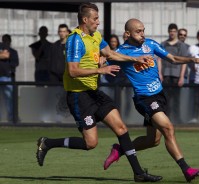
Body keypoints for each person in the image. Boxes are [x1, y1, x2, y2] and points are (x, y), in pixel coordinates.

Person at [36, 3, 162, 182]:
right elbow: (73, 71)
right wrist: (99, 71)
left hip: (94, 92)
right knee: (91, 143)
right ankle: (48, 143)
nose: (98, 22)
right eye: (95, 18)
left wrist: (135, 58)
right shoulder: (75, 40)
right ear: (85, 19)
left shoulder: (95, 36)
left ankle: (139, 173)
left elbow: (110, 54)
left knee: (121, 128)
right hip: (79, 96)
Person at [104, 18, 199, 182]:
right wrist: (99, 67)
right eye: (138, 31)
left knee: (153, 141)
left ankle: (120, 149)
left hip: (160, 96)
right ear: (128, 33)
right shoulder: (121, 51)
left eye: (143, 30)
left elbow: (172, 58)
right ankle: (186, 169)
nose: (142, 34)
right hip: (144, 99)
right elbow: (103, 59)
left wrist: (192, 60)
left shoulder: (150, 44)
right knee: (168, 128)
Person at [157, 23, 188, 123]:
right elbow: (159, 60)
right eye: (171, 31)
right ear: (168, 32)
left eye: (174, 31)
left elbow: (184, 61)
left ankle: (177, 119)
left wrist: (182, 76)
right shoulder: (163, 44)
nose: (172, 33)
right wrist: (160, 74)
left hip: (176, 75)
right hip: (165, 75)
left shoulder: (181, 45)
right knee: (166, 98)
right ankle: (166, 118)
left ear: (176, 32)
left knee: (176, 99)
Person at [0, 34, 19, 122]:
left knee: (9, 99)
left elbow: (14, 63)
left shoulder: (13, 52)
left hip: (7, 77)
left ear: (10, 41)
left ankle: (11, 118)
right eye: (3, 40)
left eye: (6, 40)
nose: (5, 42)